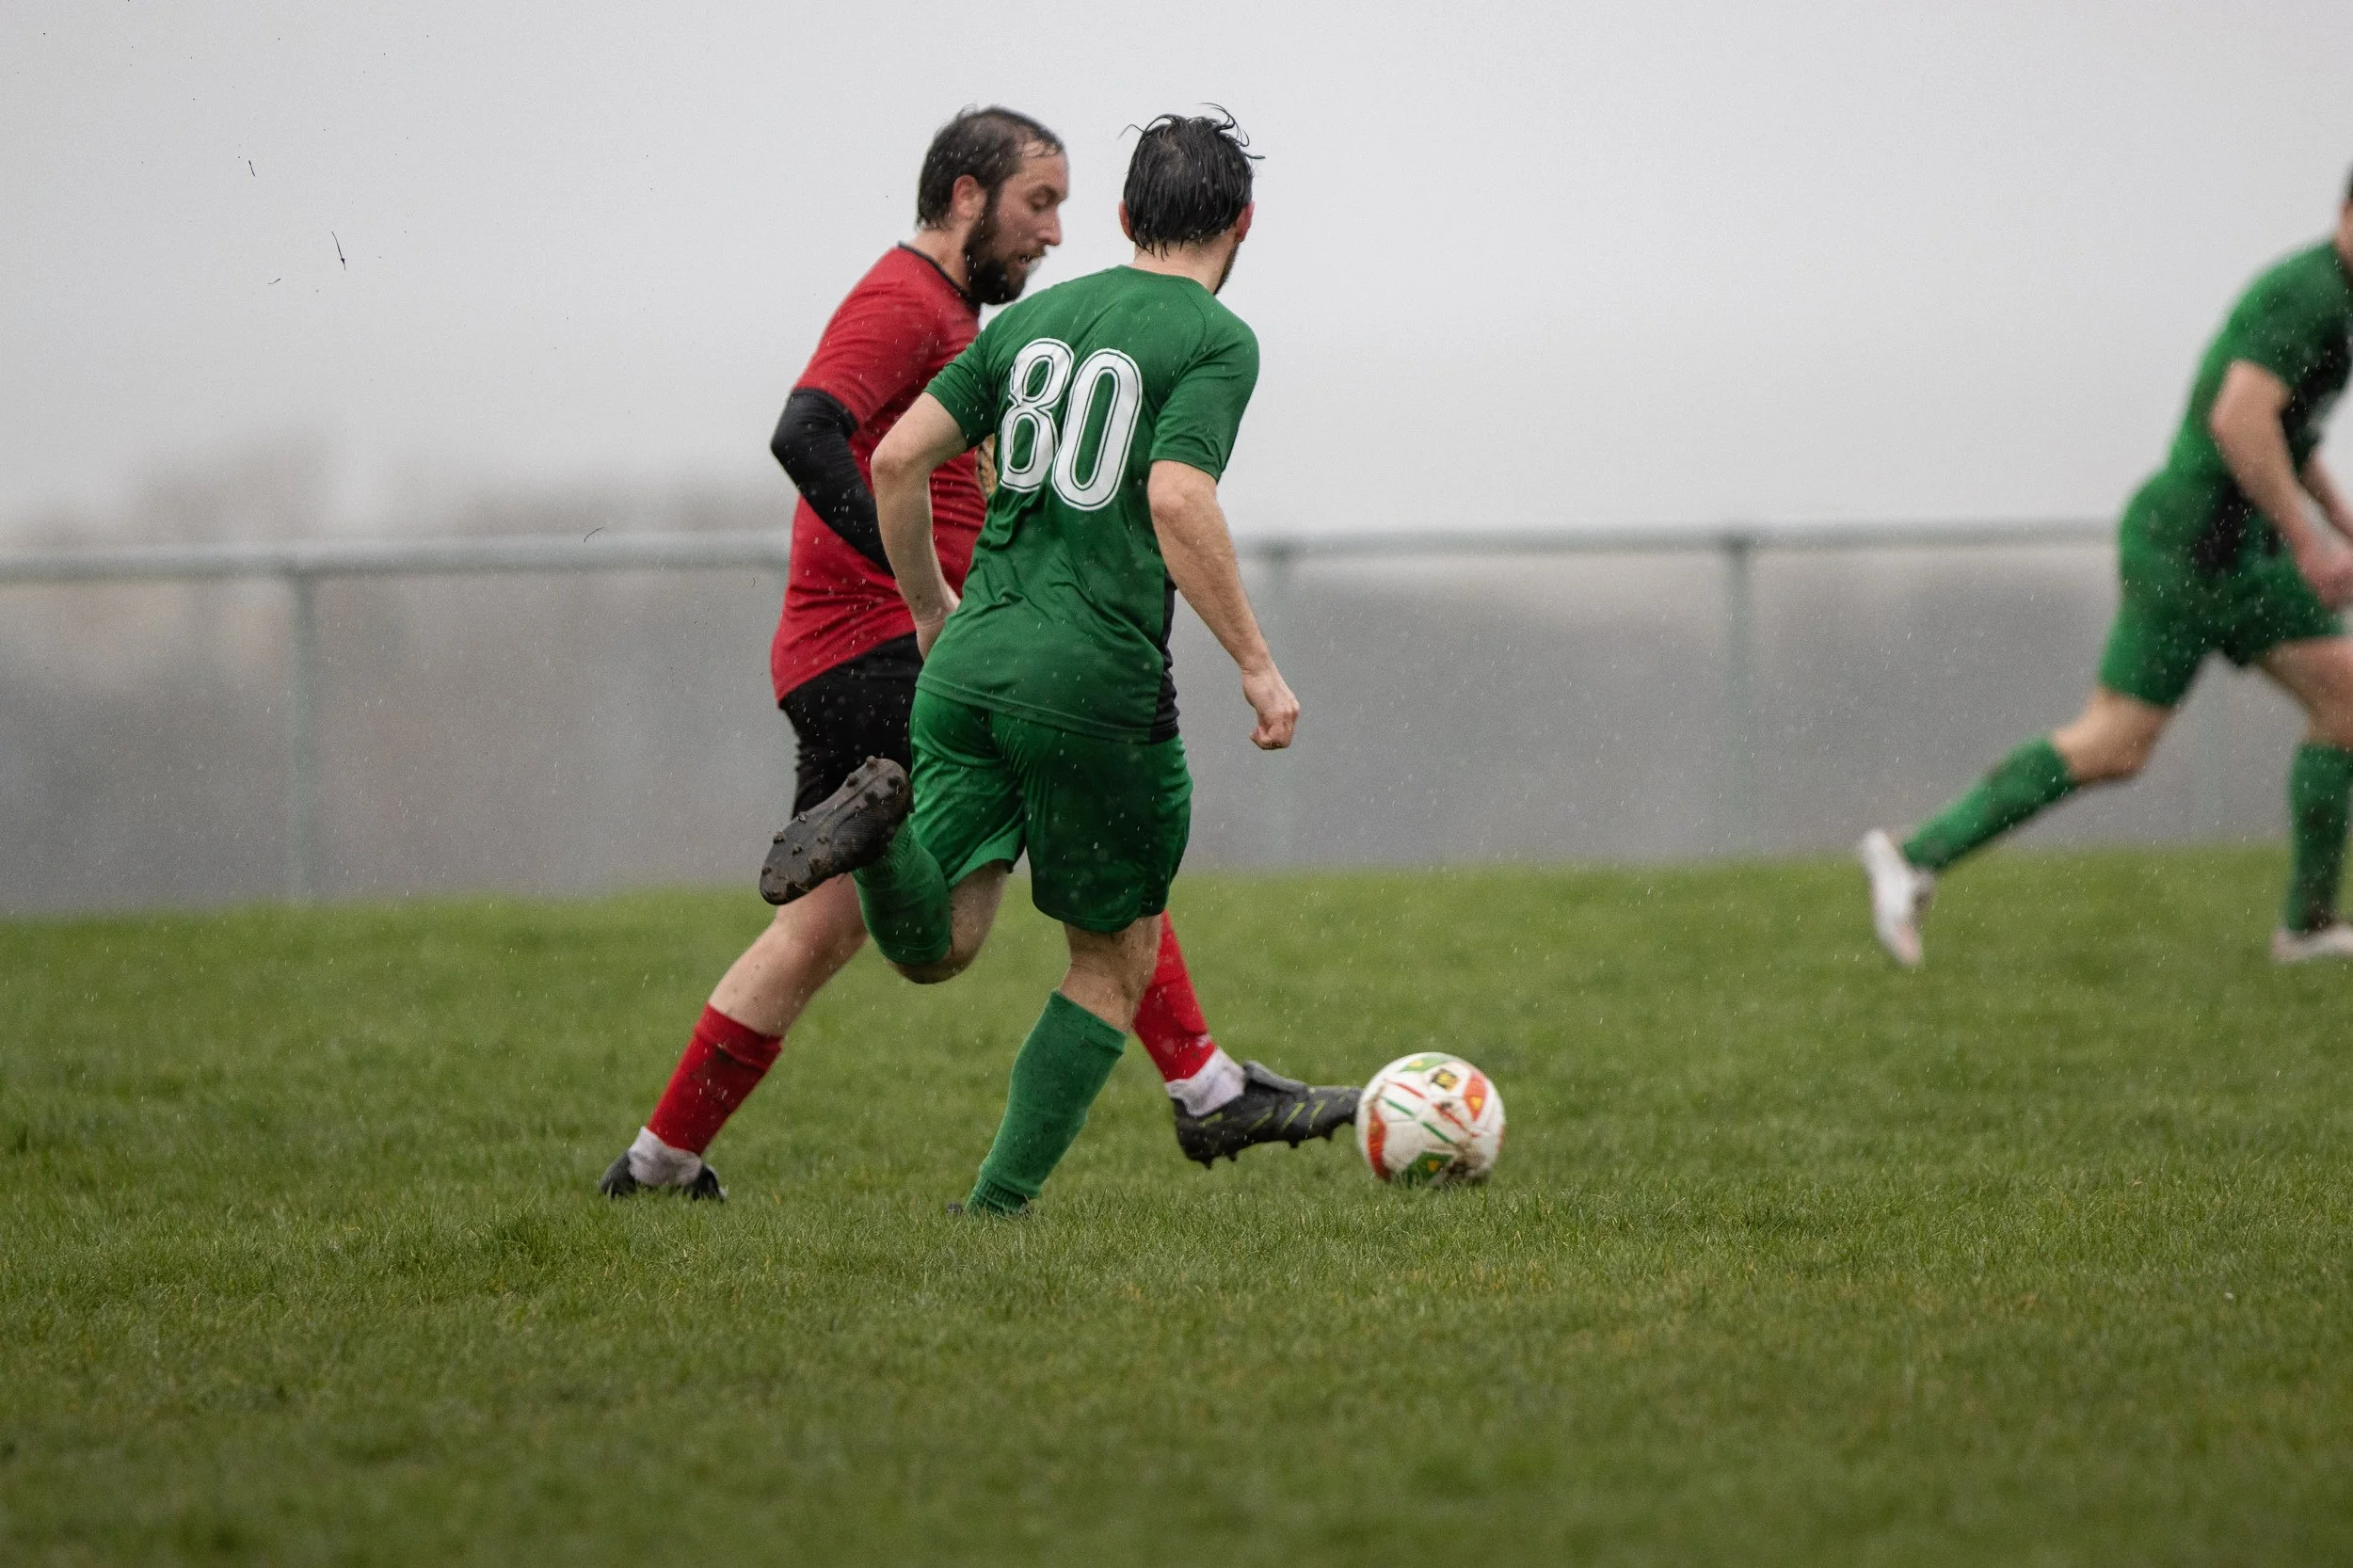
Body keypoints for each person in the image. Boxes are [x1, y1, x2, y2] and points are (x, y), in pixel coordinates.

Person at [600, 107, 1348, 1201]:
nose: (1046, 230)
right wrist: (1255, 661)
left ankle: (671, 1144)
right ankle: (1038, 1184)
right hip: (1028, 666)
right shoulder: (1177, 333)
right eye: (1033, 203)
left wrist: (935, 608)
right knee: (1111, 940)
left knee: (919, 934)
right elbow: (1171, 492)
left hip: (961, 662)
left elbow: (901, 454)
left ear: (1127, 213)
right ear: (1244, 223)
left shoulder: (1022, 321)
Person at [1862, 174, 2353, 967]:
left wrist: (2334, 521)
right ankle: (1914, 853)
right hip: (2192, 551)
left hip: (2245, 557)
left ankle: (2307, 925)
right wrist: (2310, 539)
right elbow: (2239, 419)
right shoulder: (2308, 295)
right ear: (2343, 214)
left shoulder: (2341, 304)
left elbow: (2287, 434)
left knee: (2347, 698)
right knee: (2116, 744)